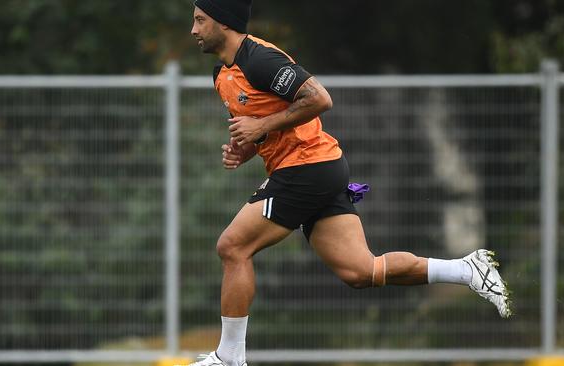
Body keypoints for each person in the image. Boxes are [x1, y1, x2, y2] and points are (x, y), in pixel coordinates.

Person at [187, 1, 511, 365]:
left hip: (307, 169)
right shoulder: (222, 75)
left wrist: (259, 127)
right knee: (361, 271)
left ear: (225, 23)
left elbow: (319, 99)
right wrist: (243, 150)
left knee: (232, 247)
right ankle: (468, 269)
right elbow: (268, 128)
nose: (194, 30)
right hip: (316, 169)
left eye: (201, 20)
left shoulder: (259, 59)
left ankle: (230, 357)